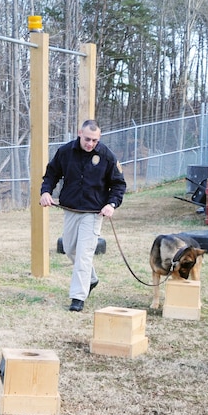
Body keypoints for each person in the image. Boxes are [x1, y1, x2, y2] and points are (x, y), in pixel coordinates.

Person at [39, 119, 127, 312]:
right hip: (70, 209)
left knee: (84, 254)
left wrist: (111, 204)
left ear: (99, 138)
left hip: (93, 213)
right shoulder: (65, 152)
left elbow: (119, 184)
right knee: (70, 248)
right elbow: (51, 174)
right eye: (87, 139)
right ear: (80, 133)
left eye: (95, 140)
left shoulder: (107, 156)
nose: (90, 144)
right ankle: (91, 279)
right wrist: (45, 192)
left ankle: (78, 297)